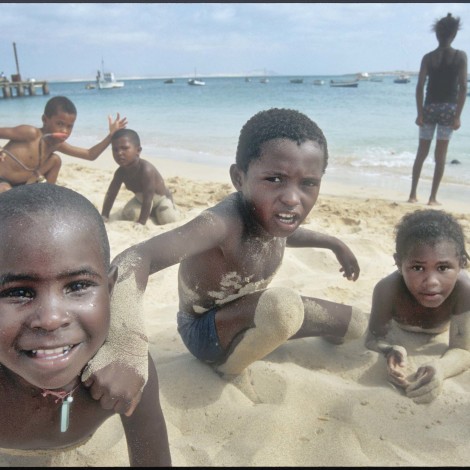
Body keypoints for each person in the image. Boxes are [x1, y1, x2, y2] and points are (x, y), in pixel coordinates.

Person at [111, 108, 367, 381]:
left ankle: (267, 334)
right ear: (239, 178)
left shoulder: (271, 215)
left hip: (253, 313)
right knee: (284, 307)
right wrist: (124, 345)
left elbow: (285, 235)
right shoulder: (221, 224)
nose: (292, 198)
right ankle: (229, 368)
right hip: (205, 331)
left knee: (356, 324)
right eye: (275, 179)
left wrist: (334, 243)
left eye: (308, 183)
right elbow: (137, 257)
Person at [0, 183, 171, 466]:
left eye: (78, 286)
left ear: (111, 289)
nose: (52, 319)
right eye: (18, 292)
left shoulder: (126, 370)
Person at [365, 209, 470, 404]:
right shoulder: (387, 290)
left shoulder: (463, 290)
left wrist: (441, 368)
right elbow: (373, 338)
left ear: (462, 263)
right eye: (417, 268)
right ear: (399, 263)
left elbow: (463, 350)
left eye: (443, 268)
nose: (431, 282)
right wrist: (390, 349)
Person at [0, 95, 127, 192]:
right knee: (5, 191)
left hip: (24, 184)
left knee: (56, 160)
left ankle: (47, 194)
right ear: (45, 120)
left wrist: (111, 135)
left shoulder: (57, 145)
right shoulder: (30, 133)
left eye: (69, 126)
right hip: (3, 180)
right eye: (59, 124)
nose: (64, 131)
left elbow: (90, 155)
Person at [408, 13, 467, 206]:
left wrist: (419, 113)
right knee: (440, 156)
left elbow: (419, 87)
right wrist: (458, 116)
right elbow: (463, 87)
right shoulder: (460, 56)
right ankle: (432, 197)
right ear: (454, 34)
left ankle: (413, 194)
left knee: (421, 153)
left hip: (429, 108)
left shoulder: (429, 57)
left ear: (437, 35)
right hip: (448, 110)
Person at [102, 128, 180, 226]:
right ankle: (151, 213)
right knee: (129, 215)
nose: (119, 153)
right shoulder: (120, 172)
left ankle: (173, 209)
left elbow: (148, 198)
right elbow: (111, 194)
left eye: (124, 148)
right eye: (115, 149)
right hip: (141, 200)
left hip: (160, 199)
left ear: (138, 150)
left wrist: (141, 222)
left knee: (166, 219)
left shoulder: (146, 170)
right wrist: (104, 215)